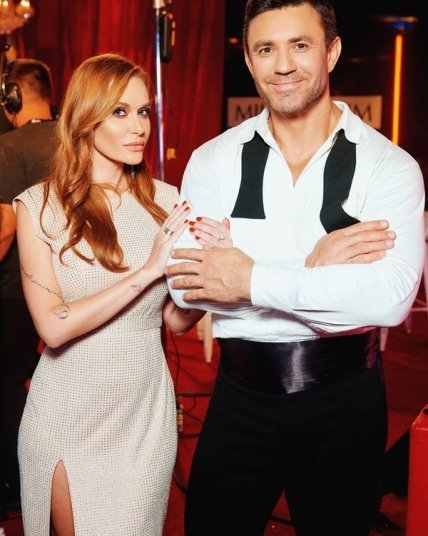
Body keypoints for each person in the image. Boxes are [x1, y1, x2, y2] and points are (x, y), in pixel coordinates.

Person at [165, 1, 426, 535]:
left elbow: (388, 300)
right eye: (266, 49)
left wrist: (247, 275)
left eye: (300, 45)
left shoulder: (390, 166)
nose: (283, 64)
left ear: (332, 51)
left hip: (346, 401)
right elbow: (187, 285)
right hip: (239, 397)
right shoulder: (212, 160)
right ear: (249, 61)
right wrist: (313, 263)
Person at [12, 53, 226, 536]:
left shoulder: (167, 201)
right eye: (121, 112)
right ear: (86, 118)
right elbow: (53, 326)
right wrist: (147, 271)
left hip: (143, 412)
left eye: (144, 111)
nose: (139, 126)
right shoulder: (39, 206)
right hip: (66, 411)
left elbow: (174, 320)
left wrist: (209, 273)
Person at [0, 57, 57, 514]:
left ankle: (17, 483)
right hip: (72, 286)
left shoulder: (10, 146)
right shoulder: (77, 139)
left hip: (17, 288)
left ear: (12, 97)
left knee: (5, 382)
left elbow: (4, 225)